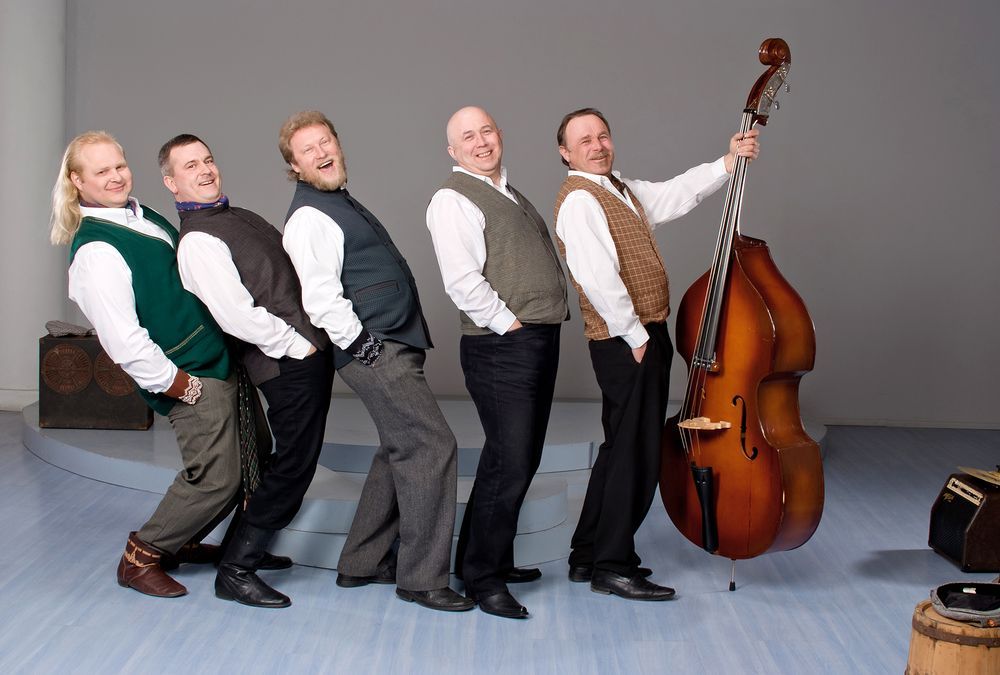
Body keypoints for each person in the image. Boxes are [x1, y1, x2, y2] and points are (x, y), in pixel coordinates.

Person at [552, 108, 760, 601]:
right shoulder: (580, 200)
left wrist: (727, 161)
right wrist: (637, 337)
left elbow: (672, 194)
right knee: (636, 456)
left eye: (603, 135)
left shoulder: (617, 189)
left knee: (617, 450)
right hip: (629, 342)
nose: (597, 145)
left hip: (638, 337)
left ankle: (588, 554)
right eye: (585, 140)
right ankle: (613, 565)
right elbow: (597, 278)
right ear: (565, 153)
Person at [278, 110, 473, 613]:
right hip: (375, 348)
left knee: (398, 447)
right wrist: (364, 346)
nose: (321, 152)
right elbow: (321, 300)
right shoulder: (309, 218)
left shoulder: (337, 202)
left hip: (390, 341)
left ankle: (361, 561)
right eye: (307, 150)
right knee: (432, 445)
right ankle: (421, 578)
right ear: (294, 166)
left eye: (325, 141)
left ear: (338, 144)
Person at [49, 131, 247, 599]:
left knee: (247, 461)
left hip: (215, 358)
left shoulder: (141, 214)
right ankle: (141, 556)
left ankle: (186, 540)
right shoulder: (96, 251)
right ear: (77, 181)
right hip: (189, 374)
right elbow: (124, 340)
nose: (116, 177)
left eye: (119, 165)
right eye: (101, 171)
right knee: (216, 478)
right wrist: (180, 385)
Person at [161, 133, 335, 608]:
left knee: (286, 459)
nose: (204, 170)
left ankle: (238, 548)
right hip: (286, 361)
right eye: (190, 166)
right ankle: (237, 570)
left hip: (304, 353)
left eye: (207, 160)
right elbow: (236, 316)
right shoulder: (198, 241)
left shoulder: (234, 216)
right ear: (171, 182)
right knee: (295, 466)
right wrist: (299, 347)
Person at [425, 106, 568, 619]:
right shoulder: (452, 199)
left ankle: (487, 559)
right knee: (510, 462)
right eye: (468, 136)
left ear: (499, 135)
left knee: (516, 458)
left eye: (486, 131)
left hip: (531, 340)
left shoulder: (506, 191)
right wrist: (510, 326)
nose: (480, 142)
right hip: (502, 346)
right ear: (453, 150)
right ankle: (483, 579)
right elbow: (462, 282)